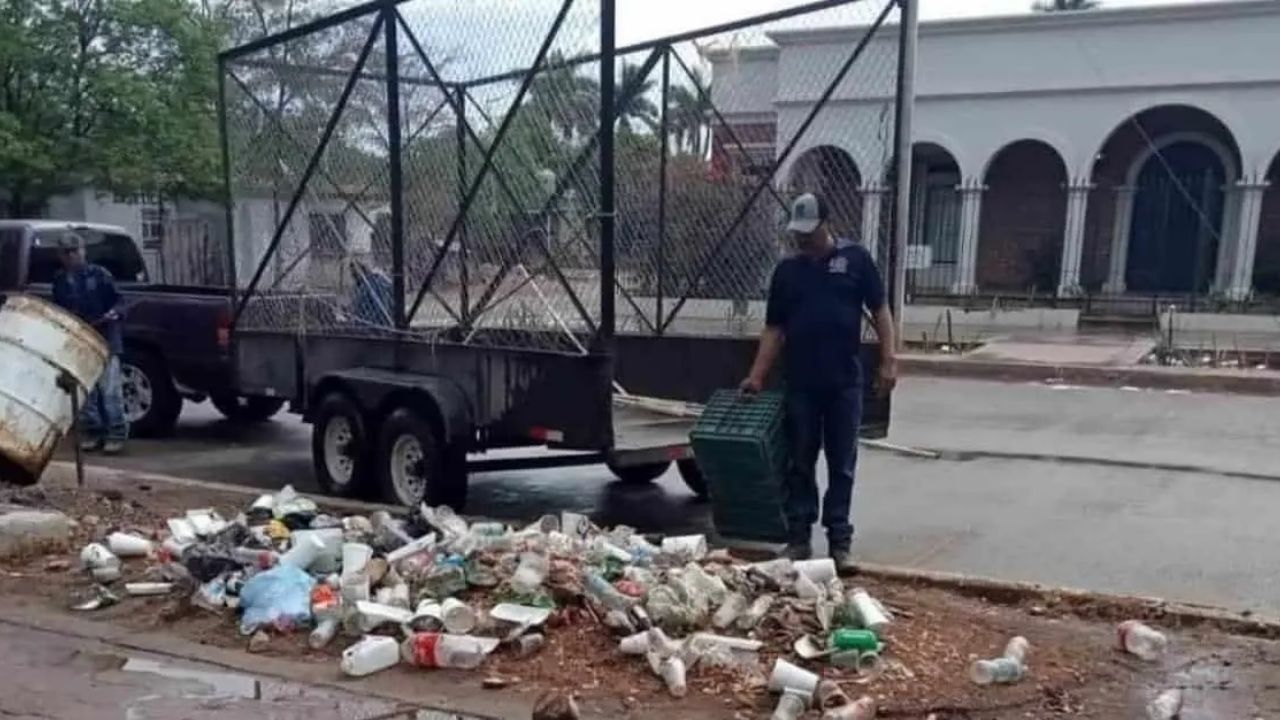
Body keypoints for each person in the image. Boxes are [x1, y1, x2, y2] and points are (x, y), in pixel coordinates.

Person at [740, 192, 897, 570]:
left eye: (809, 232)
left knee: (842, 463)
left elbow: (880, 311)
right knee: (800, 462)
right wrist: (756, 376)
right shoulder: (787, 273)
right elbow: (774, 329)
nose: (802, 239)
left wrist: (888, 361)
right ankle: (798, 539)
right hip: (801, 384)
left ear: (827, 224)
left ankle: (839, 542)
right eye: (798, 233)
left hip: (844, 383)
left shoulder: (855, 260)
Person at [51, 232, 128, 454]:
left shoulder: (100, 275)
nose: (70, 256)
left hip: (105, 341)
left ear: (83, 251)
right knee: (87, 392)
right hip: (80, 342)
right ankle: (93, 432)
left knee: (110, 391)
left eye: (74, 251)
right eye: (65, 252)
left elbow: (120, 301)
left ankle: (116, 434)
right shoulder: (60, 281)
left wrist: (114, 313)